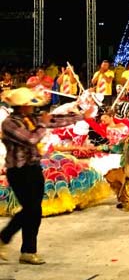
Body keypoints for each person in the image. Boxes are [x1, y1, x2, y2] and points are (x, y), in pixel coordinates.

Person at [0, 87, 82, 264]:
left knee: (35, 210)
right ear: (22, 107)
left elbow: (57, 120)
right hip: (19, 171)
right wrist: (43, 124)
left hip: (33, 168)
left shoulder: (32, 119)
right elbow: (31, 139)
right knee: (31, 208)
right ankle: (4, 238)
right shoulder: (9, 123)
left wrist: (83, 115)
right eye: (30, 104)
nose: (33, 107)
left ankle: (28, 251)